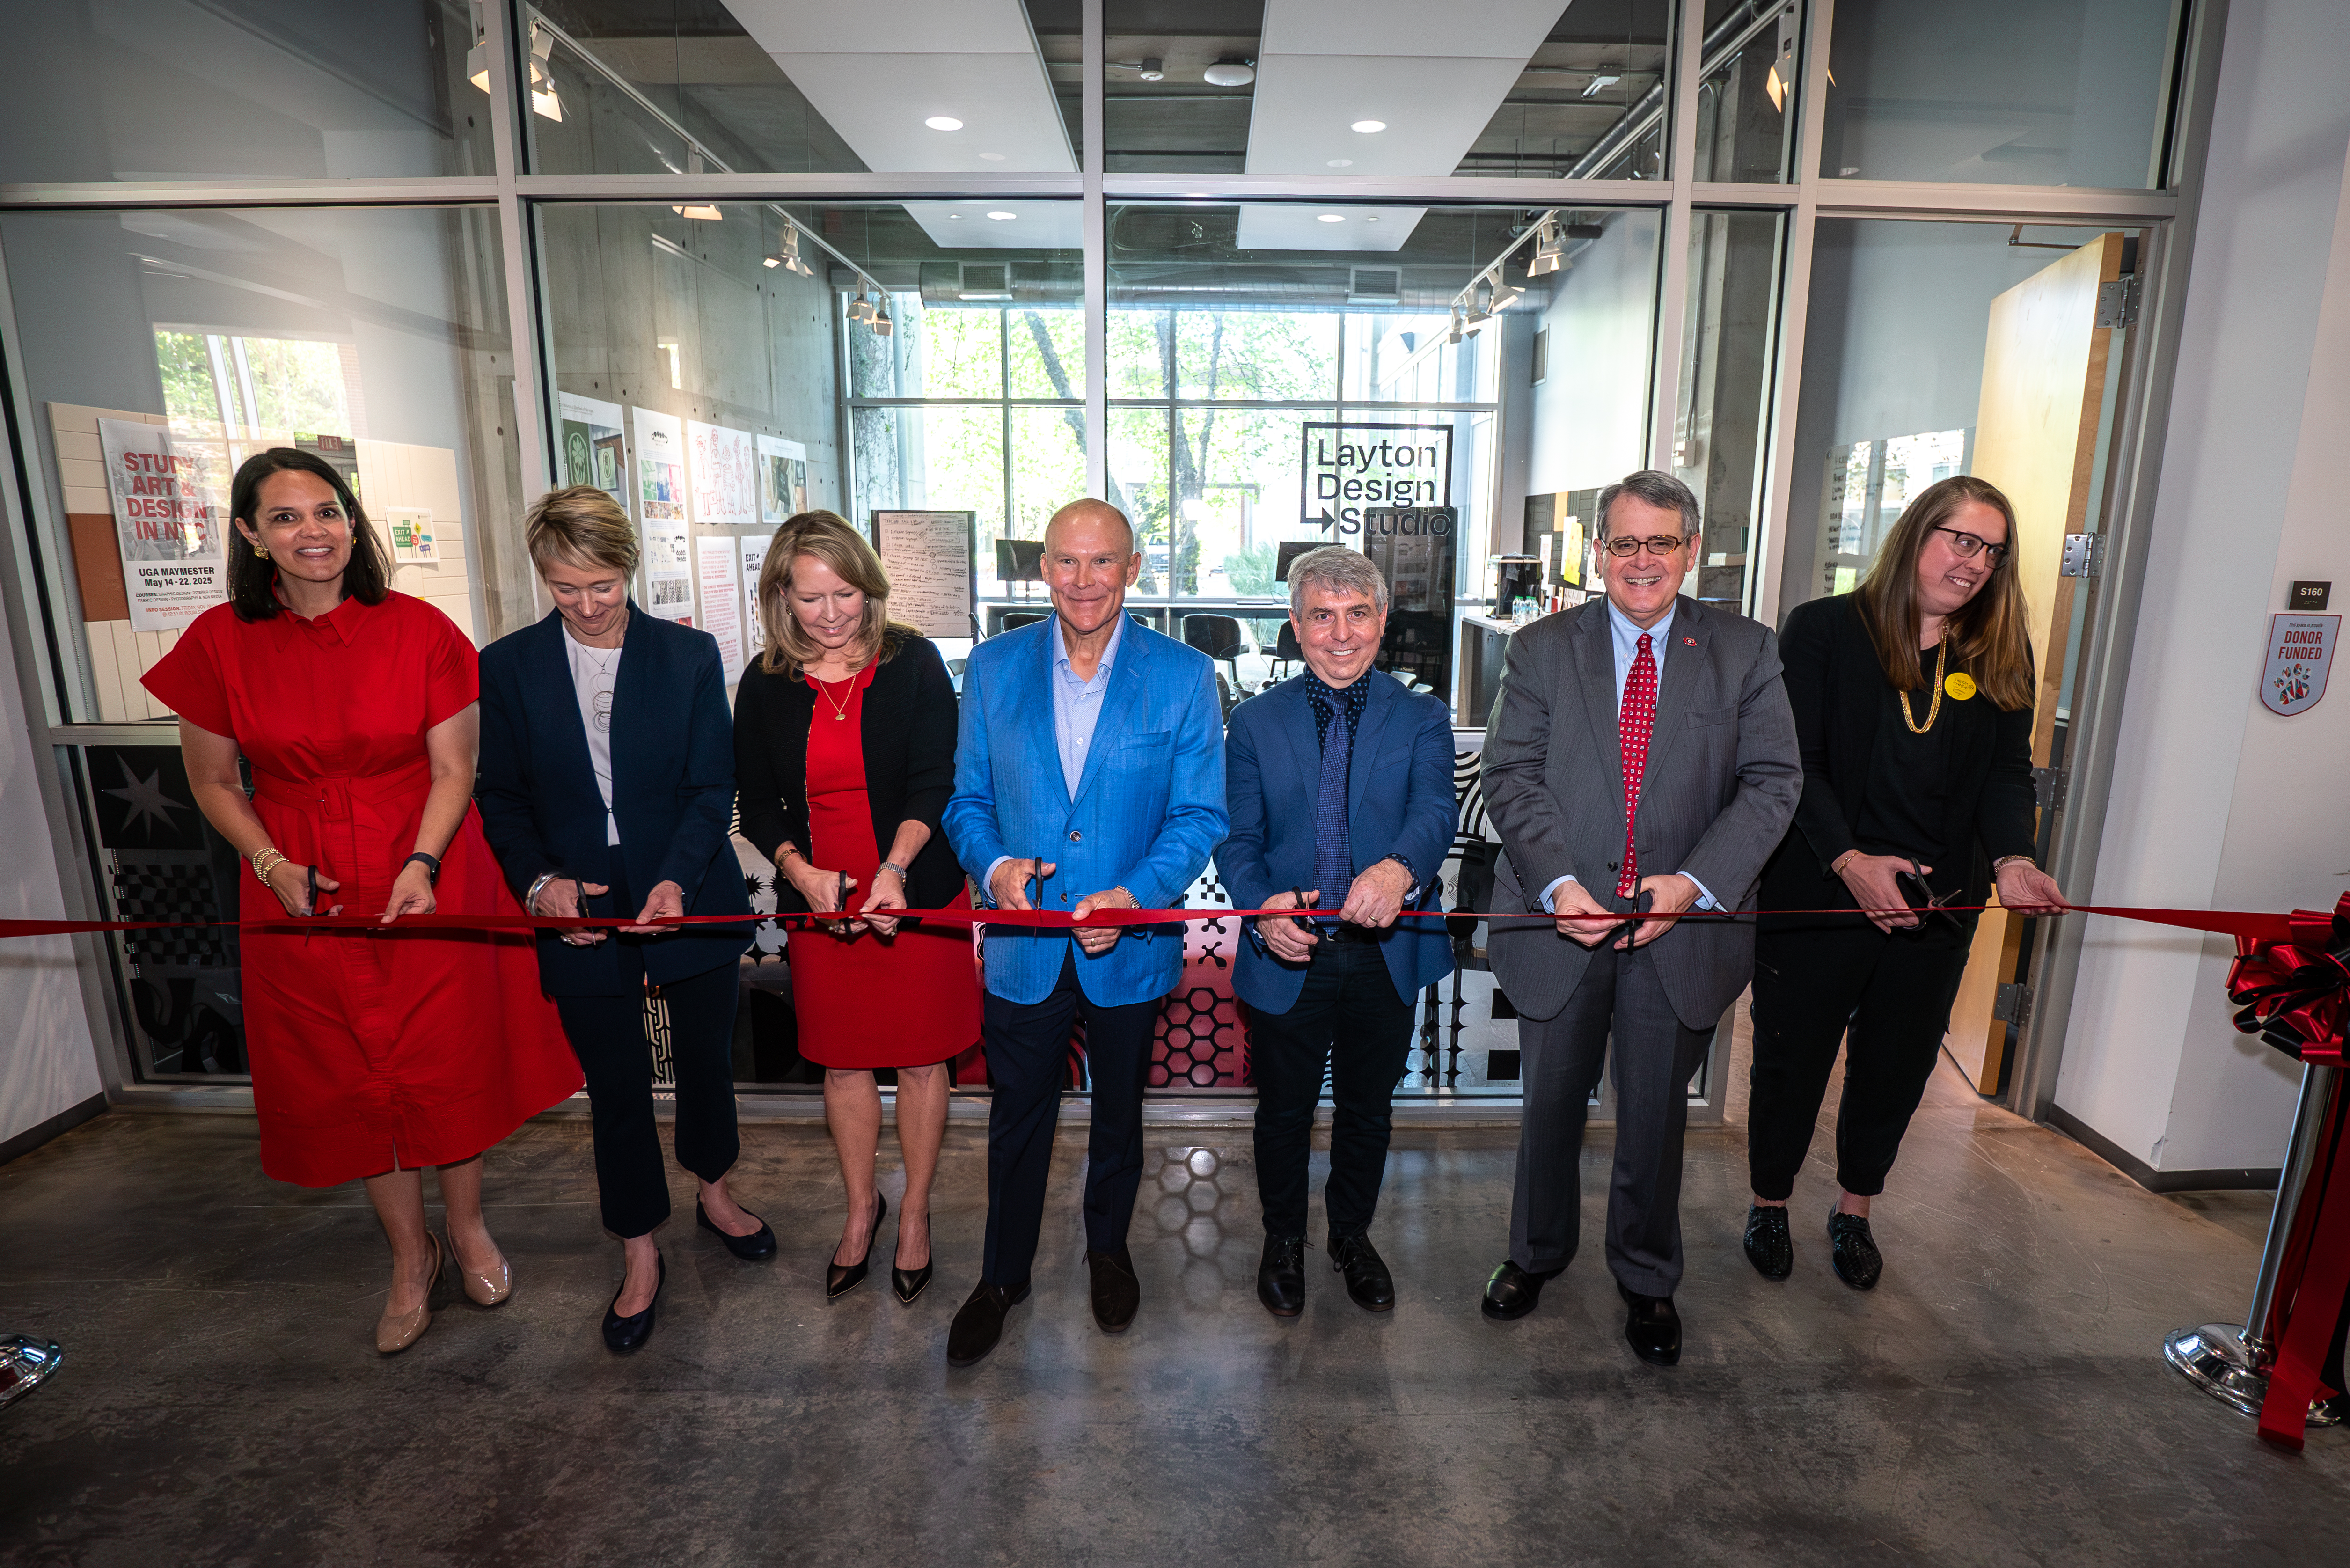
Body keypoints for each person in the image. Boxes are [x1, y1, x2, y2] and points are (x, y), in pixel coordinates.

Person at [142, 447, 581, 1356]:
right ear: (250, 534)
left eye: (328, 511)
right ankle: (407, 1253)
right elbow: (216, 781)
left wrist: (422, 860)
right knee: (349, 1072)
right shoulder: (217, 644)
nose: (314, 531)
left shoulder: (420, 630)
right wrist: (269, 863)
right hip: (297, 884)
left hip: (426, 868)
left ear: (353, 521)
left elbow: (456, 766)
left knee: (444, 1062)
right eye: (288, 516)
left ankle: (466, 1231)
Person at [1478, 469, 1800, 1366]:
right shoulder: (1542, 649)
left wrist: (1694, 883)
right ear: (1598, 552)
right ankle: (1534, 1253)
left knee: (1654, 1116)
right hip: (1562, 920)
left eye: (1662, 542)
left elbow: (1772, 783)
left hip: (1680, 929)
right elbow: (1510, 775)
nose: (1643, 560)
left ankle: (1648, 1278)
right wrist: (1556, 883)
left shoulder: (1743, 650)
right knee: (1547, 1105)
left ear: (1691, 551)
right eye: (1624, 542)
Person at [1745, 475, 2064, 1290]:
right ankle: (1769, 1202)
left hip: (1936, 905)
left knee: (1894, 1067)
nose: (1975, 565)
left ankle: (1854, 1210)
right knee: (1791, 1060)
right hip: (1821, 888)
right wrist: (1850, 861)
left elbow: (2004, 774)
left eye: (1992, 552)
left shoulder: (1997, 650)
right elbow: (1794, 765)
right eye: (1962, 540)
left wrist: (2011, 858)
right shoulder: (1822, 631)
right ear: (1916, 533)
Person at [475, 485, 761, 1356]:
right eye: (567, 588)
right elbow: (502, 795)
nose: (590, 605)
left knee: (707, 1060)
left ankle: (714, 1188)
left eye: (603, 584)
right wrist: (539, 885)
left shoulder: (686, 654)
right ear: (543, 580)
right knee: (616, 1087)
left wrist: (675, 880)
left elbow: (714, 789)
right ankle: (639, 1247)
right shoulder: (509, 665)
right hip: (578, 894)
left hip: (687, 882)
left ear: (629, 569)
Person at [940, 499, 1227, 1367]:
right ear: (1042, 569)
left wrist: (1132, 897)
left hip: (1128, 947)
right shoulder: (991, 670)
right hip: (1025, 948)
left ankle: (1108, 1249)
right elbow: (967, 801)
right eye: (1066, 562)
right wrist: (994, 871)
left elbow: (1197, 813)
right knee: (1015, 1120)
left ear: (1132, 569)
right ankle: (1002, 1276)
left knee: (1118, 1115)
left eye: (1102, 562)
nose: (1083, 580)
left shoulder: (1183, 676)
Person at [734, 510, 978, 1306]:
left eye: (846, 593)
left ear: (869, 591)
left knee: (918, 1059)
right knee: (841, 1061)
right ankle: (858, 1207)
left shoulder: (912, 662)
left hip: (911, 888)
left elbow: (933, 780)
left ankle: (912, 1213)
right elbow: (759, 802)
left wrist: (894, 870)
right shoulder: (764, 681)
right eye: (811, 598)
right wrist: (801, 874)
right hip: (820, 899)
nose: (832, 613)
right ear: (781, 597)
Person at [1218, 546, 1457, 1318]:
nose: (1341, 633)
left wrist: (1398, 868)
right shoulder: (1253, 722)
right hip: (1289, 952)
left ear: (1382, 620)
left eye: (1358, 614)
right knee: (1283, 1111)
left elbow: (1433, 813)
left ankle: (1350, 1236)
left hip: (1383, 955)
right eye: (1322, 615)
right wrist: (1262, 907)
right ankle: (1282, 1239)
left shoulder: (1421, 714)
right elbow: (1237, 838)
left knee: (1367, 1109)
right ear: (1295, 625)